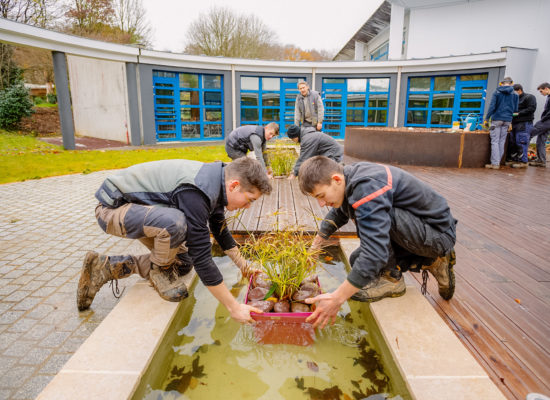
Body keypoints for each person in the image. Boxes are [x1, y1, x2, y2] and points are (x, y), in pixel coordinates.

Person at [77, 157, 272, 324]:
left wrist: (245, 267)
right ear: (234, 185)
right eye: (250, 199)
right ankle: (159, 272)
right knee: (176, 224)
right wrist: (234, 307)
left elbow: (220, 232)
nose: (247, 207)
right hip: (112, 211)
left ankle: (105, 267)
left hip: (143, 212)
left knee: (183, 264)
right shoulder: (198, 191)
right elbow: (203, 258)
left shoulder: (217, 183)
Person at [298, 156, 457, 329]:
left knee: (378, 231)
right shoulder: (349, 179)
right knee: (357, 260)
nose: (321, 204)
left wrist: (337, 298)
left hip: (437, 235)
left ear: (336, 179)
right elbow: (339, 212)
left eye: (321, 196)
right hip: (419, 231)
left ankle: (392, 279)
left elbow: (374, 253)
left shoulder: (366, 188)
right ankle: (432, 262)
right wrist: (315, 246)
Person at [484, 77, 519, 170]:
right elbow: (515, 111)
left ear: (502, 83)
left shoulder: (497, 92)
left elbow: (492, 106)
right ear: (511, 83)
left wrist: (487, 118)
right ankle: (497, 162)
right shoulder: (515, 94)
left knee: (495, 141)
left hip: (497, 120)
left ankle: (495, 164)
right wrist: (511, 121)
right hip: (507, 120)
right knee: (502, 141)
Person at [510, 84, 537, 168]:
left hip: (524, 123)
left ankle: (523, 162)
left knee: (521, 141)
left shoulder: (529, 97)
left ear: (519, 90)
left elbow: (531, 109)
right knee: (513, 141)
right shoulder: (514, 99)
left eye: (513, 92)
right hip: (514, 123)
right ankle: (515, 159)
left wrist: (518, 113)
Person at [528, 82, 550, 168]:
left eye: (541, 91)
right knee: (541, 140)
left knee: (528, 134)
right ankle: (541, 161)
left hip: (547, 121)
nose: (541, 93)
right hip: (547, 121)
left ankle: (521, 156)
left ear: (546, 89)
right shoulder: (548, 97)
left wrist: (542, 120)